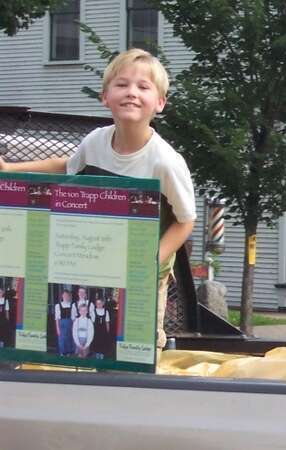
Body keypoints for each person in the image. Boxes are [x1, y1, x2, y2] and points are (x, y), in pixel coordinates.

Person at [0, 49, 196, 353]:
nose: (131, 92)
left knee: (137, 341)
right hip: (100, 261)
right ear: (105, 96)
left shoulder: (164, 162)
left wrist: (149, 261)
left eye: (143, 87)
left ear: (159, 103)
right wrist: (11, 169)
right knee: (94, 333)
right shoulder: (96, 142)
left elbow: (185, 220)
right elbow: (64, 166)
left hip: (143, 272)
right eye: (122, 85)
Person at [54, 290, 75, 356]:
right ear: (62, 296)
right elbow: (57, 318)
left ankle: (69, 352)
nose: (66, 296)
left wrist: (73, 327)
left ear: (69, 296)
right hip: (61, 324)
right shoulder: (58, 305)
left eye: (67, 295)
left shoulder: (72, 305)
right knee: (62, 339)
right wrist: (57, 328)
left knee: (69, 338)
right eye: (64, 295)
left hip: (70, 323)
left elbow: (73, 318)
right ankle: (62, 353)